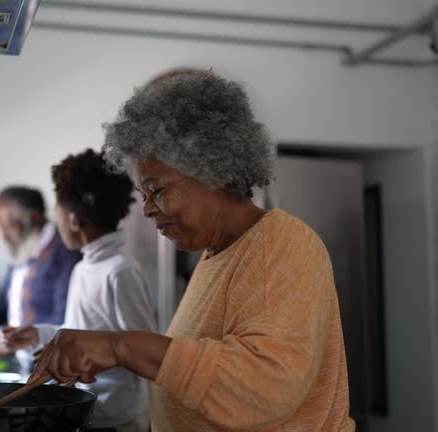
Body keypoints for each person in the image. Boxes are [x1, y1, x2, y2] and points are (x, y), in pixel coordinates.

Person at [24, 70, 355, 431]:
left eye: (158, 190)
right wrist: (108, 354)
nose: (148, 209)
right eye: (144, 195)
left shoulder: (283, 245)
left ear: (214, 170)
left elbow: (264, 388)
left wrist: (120, 347)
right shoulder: (214, 257)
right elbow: (193, 370)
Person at [2, 149, 156, 432]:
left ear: (73, 220)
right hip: (84, 411)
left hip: (116, 421)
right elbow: (79, 331)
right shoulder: (83, 267)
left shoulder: (120, 271)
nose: (55, 221)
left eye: (56, 212)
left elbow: (145, 353)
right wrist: (41, 334)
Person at [0, 186, 82, 357]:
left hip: (48, 366)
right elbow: (3, 301)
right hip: (23, 361)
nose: (3, 237)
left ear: (34, 218)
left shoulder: (65, 253)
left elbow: (66, 324)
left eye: (9, 227)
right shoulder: (25, 248)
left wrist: (6, 347)